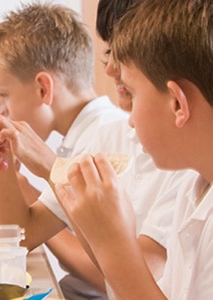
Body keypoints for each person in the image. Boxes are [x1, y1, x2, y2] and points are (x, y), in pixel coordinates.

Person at [56, 0, 213, 298]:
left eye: (135, 95)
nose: (130, 120)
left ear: (177, 103)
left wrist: (115, 244)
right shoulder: (193, 189)